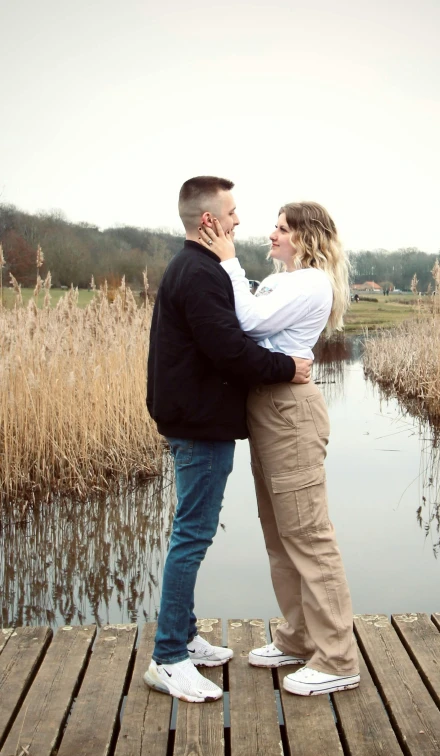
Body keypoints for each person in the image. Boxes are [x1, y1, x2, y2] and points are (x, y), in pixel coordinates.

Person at [144, 176, 313, 703]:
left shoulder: (199, 267)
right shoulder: (199, 273)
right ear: (209, 220)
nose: (241, 220)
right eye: (233, 212)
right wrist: (289, 367)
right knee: (191, 535)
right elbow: (229, 349)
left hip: (197, 417)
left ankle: (184, 635)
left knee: (190, 530)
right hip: (198, 423)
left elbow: (228, 341)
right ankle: (168, 657)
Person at [199, 202, 360, 696]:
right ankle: (297, 638)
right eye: (275, 226)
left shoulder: (310, 281)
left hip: (290, 411)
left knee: (308, 534)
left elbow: (247, 322)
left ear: (306, 237)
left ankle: (336, 659)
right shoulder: (286, 279)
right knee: (279, 534)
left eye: (282, 228)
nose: (271, 234)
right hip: (268, 407)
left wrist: (228, 259)